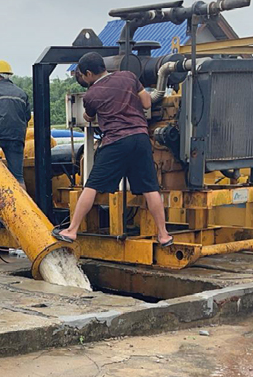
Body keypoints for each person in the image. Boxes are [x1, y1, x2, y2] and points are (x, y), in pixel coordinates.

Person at [53, 52, 173, 247]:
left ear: (89, 73)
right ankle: (164, 235)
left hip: (116, 141)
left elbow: (89, 116)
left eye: (83, 76)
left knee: (91, 186)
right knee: (151, 188)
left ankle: (72, 230)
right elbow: (147, 103)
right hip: (141, 138)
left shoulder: (91, 94)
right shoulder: (129, 76)